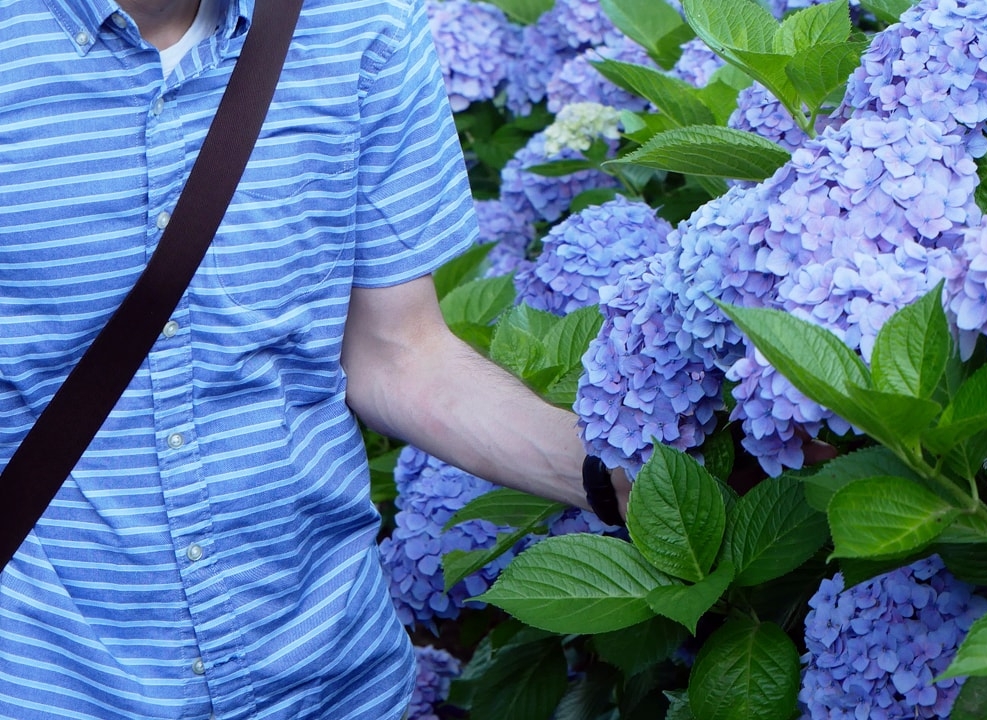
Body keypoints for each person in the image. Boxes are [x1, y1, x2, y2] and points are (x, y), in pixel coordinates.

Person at [0, 0, 628, 718]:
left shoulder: (363, 25)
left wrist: (623, 481)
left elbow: (398, 352)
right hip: (52, 684)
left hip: (329, 683)